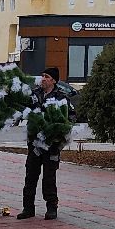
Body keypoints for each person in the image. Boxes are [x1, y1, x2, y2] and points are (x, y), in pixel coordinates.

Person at [19, 67, 70, 220]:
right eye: (42, 76)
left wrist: (58, 135)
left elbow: (69, 118)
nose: (43, 79)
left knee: (49, 177)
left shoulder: (61, 97)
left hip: (52, 145)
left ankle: (51, 207)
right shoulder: (34, 95)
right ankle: (28, 208)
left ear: (53, 80)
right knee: (30, 176)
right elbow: (24, 109)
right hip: (35, 144)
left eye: (46, 76)